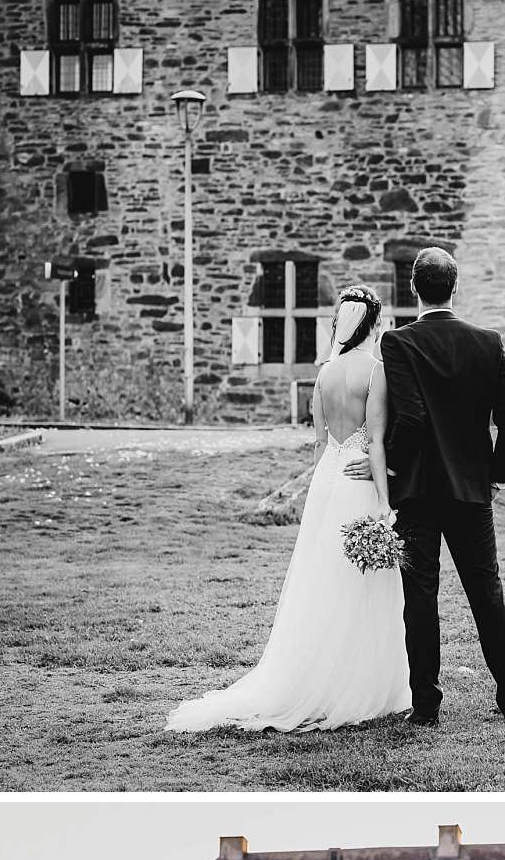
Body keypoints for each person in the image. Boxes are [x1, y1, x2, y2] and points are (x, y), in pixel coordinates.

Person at [165, 285, 410, 735]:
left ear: (342, 325)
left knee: (321, 580)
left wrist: (319, 493)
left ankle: (315, 668)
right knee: (361, 583)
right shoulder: (376, 371)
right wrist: (383, 498)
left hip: (327, 481)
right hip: (358, 481)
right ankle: (359, 682)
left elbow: (320, 443)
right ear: (374, 324)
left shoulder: (324, 374)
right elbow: (375, 440)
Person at [346, 244, 505, 726]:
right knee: (487, 592)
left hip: (417, 492)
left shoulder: (400, 344)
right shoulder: (489, 342)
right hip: (471, 492)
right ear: (456, 287)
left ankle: (426, 705)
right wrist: (497, 473)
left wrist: (389, 467)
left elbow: (411, 419)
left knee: (420, 597)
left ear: (413, 288)